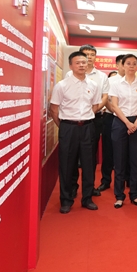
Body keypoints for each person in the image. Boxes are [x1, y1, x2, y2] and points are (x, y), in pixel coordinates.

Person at [49, 51, 102, 213]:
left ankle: (87, 199)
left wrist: (84, 119)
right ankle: (66, 200)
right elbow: (54, 109)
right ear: (71, 65)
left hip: (88, 127)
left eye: (84, 62)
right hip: (68, 127)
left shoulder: (93, 85)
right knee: (66, 164)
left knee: (89, 164)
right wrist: (64, 126)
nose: (81, 65)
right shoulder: (62, 85)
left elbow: (95, 106)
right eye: (77, 63)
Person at [66, 44, 109, 197]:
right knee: (72, 155)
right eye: (86, 54)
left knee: (90, 155)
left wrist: (91, 112)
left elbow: (104, 97)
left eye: (92, 54)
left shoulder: (102, 76)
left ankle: (89, 189)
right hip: (73, 120)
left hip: (93, 119)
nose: (89, 57)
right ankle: (72, 187)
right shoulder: (69, 75)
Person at [109, 54, 137, 208]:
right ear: (122, 65)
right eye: (128, 63)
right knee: (119, 161)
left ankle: (135, 194)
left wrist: (136, 123)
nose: (131, 66)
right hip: (120, 122)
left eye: (134, 63)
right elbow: (114, 106)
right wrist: (127, 123)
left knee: (135, 160)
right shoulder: (115, 84)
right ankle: (119, 196)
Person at [97, 54, 126, 193]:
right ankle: (106, 180)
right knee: (108, 150)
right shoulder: (110, 80)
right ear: (118, 65)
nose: (126, 66)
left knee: (127, 151)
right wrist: (115, 111)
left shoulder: (135, 81)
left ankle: (128, 179)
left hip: (128, 118)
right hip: (111, 117)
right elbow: (105, 99)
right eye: (123, 63)